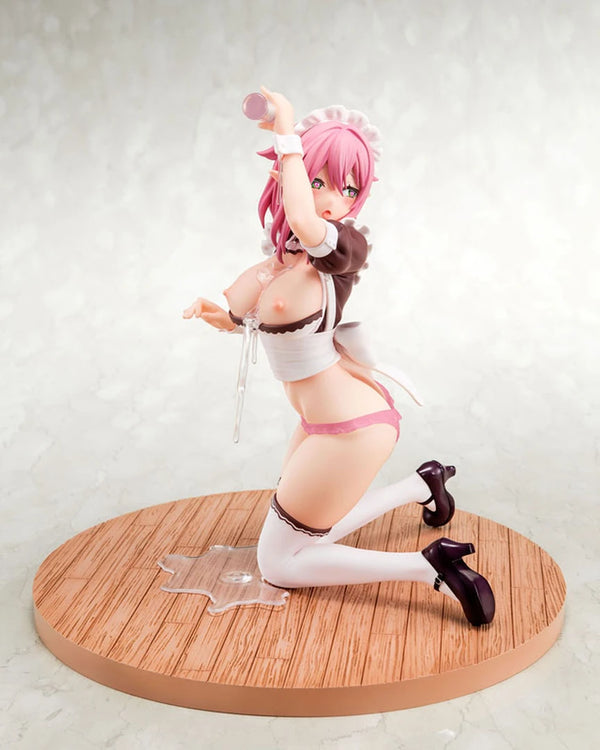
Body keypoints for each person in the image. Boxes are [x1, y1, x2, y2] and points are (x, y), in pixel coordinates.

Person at [184, 88, 495, 626]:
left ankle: (430, 568)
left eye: (348, 187)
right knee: (309, 530)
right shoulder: (285, 257)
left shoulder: (340, 246)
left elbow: (305, 218)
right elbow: (242, 305)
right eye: (320, 181)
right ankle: (421, 485)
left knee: (278, 563)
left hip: (352, 427)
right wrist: (218, 314)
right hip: (318, 422)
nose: (334, 198)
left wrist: (288, 134)